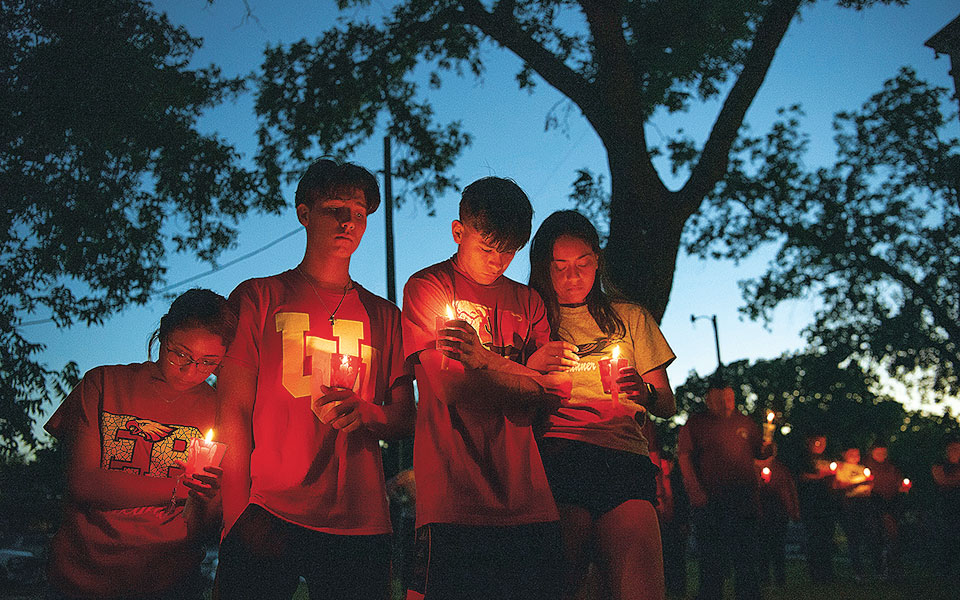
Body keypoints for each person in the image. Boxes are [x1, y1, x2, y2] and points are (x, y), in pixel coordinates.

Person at [215, 159, 416, 600]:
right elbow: (232, 408)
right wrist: (236, 513)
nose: (348, 222)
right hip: (269, 509)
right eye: (334, 208)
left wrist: (369, 413)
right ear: (304, 213)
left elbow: (405, 418)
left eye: (359, 213)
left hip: (359, 519)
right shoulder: (259, 298)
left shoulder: (385, 317)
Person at [401, 176, 567, 600]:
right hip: (452, 494)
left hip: (527, 494)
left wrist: (483, 360)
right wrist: (527, 374)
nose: (498, 262)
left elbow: (555, 397)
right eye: (487, 248)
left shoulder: (529, 302)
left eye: (508, 251)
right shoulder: (428, 288)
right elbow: (450, 388)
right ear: (459, 232)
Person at [45, 288, 235, 599]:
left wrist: (208, 498)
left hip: (168, 579)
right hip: (82, 574)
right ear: (163, 334)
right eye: (181, 354)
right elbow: (82, 483)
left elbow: (204, 526)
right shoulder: (103, 384)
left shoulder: (218, 410)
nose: (191, 370)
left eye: (208, 362)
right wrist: (182, 488)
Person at [526, 209, 676, 600]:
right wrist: (530, 367)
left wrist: (644, 393)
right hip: (558, 459)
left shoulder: (631, 317)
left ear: (597, 262)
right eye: (559, 267)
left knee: (641, 586)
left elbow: (667, 404)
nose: (572, 277)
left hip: (624, 458)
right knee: (562, 585)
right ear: (543, 268)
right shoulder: (532, 320)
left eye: (583, 264)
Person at [677, 384, 771, 600]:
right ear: (708, 401)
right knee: (712, 561)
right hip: (711, 502)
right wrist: (694, 490)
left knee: (746, 559)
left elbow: (760, 453)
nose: (726, 404)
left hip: (744, 500)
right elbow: (684, 457)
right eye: (720, 399)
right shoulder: (697, 424)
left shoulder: (745, 422)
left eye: (729, 398)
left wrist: (767, 450)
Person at [795, 432, 839, 584]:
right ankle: (816, 574)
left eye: (824, 443)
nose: (821, 446)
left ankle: (828, 573)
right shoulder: (803, 459)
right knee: (814, 539)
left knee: (827, 539)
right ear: (809, 442)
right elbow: (800, 477)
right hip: (810, 504)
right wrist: (819, 476)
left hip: (827, 504)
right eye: (818, 443)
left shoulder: (828, 459)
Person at [755, 451, 799, 587]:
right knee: (763, 548)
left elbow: (788, 488)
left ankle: (779, 579)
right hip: (760, 512)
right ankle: (765, 578)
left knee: (777, 547)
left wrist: (793, 509)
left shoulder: (780, 469)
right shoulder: (752, 468)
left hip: (777, 513)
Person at [832, 445, 876, 581]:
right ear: (844, 454)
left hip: (865, 502)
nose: (855, 457)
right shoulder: (841, 467)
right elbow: (839, 485)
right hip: (850, 504)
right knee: (853, 537)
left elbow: (869, 483)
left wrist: (869, 484)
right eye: (851, 454)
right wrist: (858, 483)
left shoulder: (863, 469)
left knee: (868, 535)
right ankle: (858, 570)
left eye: (857, 454)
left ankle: (874, 567)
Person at [863, 442, 906, 579]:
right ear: (872, 453)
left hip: (892, 504)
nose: (882, 456)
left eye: (884, 453)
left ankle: (893, 569)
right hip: (875, 504)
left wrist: (902, 487)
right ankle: (880, 568)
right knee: (877, 537)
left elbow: (898, 481)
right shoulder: (867, 467)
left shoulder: (892, 467)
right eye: (878, 453)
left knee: (892, 537)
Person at [931, 438, 960, 575]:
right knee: (946, 535)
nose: (956, 452)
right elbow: (942, 480)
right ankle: (944, 568)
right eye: (953, 449)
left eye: (958, 448)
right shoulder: (940, 464)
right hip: (946, 505)